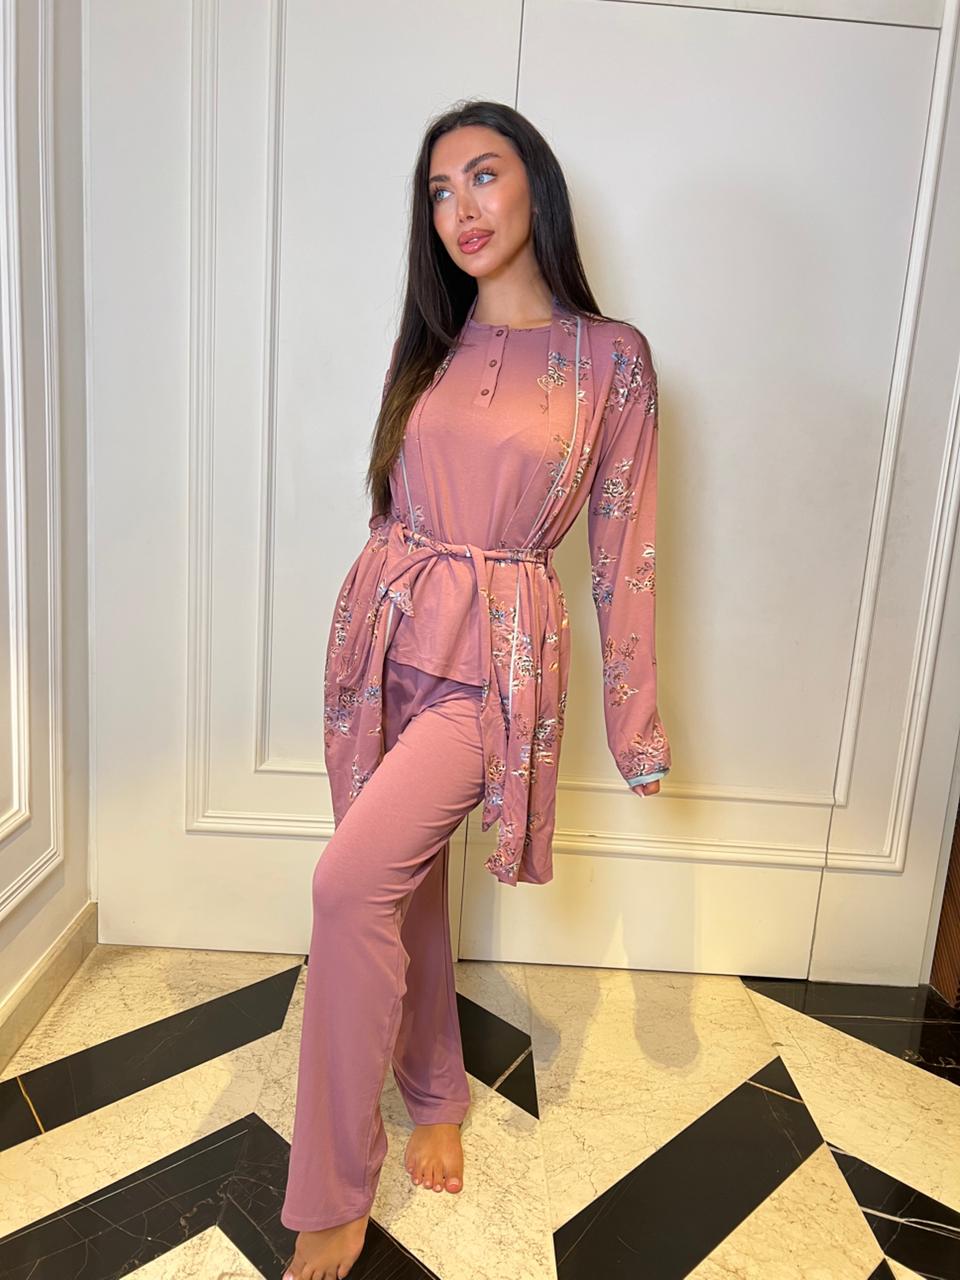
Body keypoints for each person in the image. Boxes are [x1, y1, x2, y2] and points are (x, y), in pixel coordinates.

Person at [281, 98, 672, 1280]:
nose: (460, 208)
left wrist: (637, 727)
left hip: (491, 671)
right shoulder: (433, 349)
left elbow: (624, 550)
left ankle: (332, 1187)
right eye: (439, 191)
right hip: (382, 641)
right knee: (403, 892)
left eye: (483, 177)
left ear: (536, 187)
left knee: (347, 883)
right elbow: (395, 504)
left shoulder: (612, 361)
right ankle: (436, 1086)